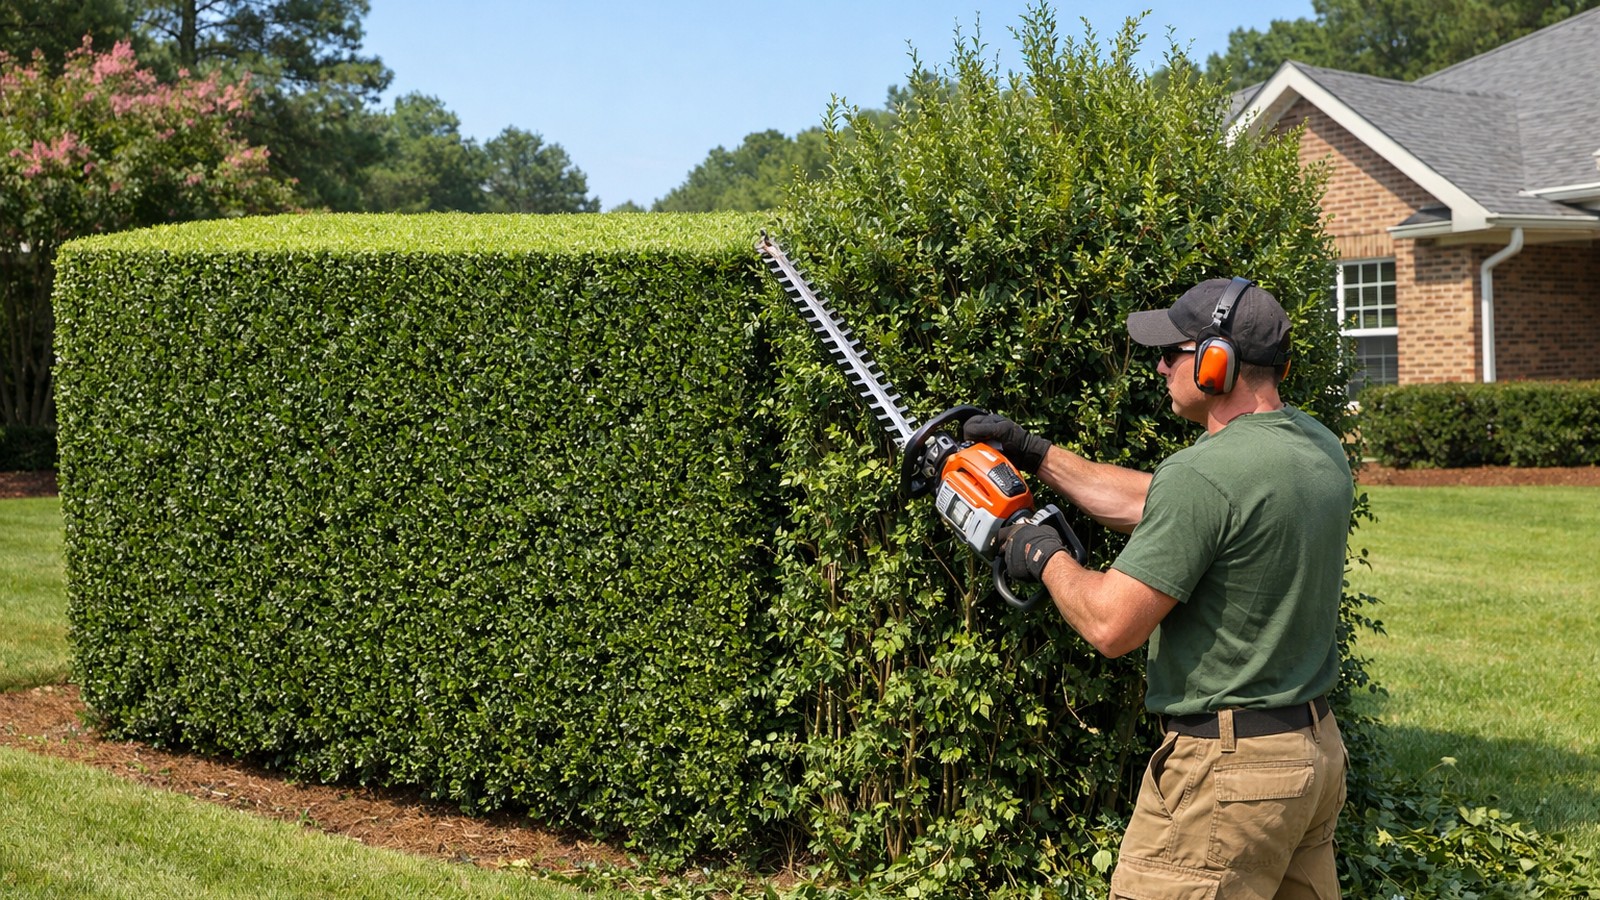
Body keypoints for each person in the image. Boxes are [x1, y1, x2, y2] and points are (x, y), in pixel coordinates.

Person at [965, 277, 1353, 899]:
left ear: (1215, 362)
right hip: (1311, 754)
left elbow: (1112, 626)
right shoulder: (1317, 447)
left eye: (1173, 351)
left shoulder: (1204, 474)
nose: (1160, 364)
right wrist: (1033, 452)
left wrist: (1043, 557)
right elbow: (1163, 505)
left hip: (1228, 778)